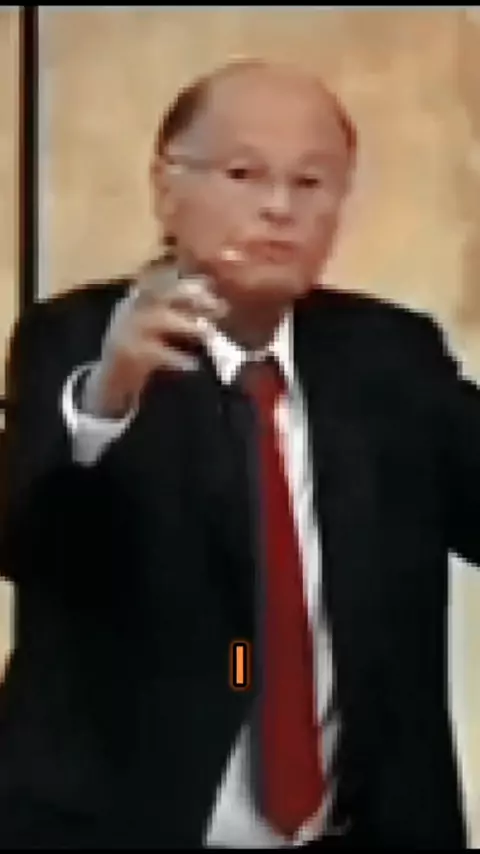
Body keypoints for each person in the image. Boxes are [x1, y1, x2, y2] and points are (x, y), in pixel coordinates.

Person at [0, 57, 475, 849]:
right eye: (244, 174)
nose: (279, 208)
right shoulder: (77, 341)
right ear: (167, 187)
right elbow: (30, 547)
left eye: (311, 182)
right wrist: (107, 402)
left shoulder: (392, 356)